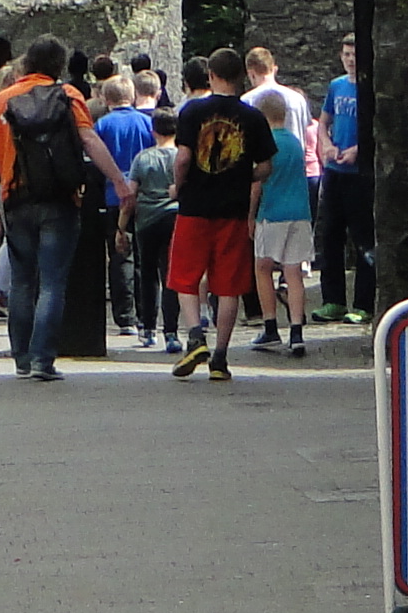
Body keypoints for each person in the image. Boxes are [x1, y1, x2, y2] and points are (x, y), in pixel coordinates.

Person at [0, 36, 132, 382]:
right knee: (52, 282)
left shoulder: (3, 99)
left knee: (21, 282)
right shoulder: (69, 96)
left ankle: (21, 358)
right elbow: (89, 139)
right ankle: (43, 360)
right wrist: (118, 181)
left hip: (17, 199)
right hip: (61, 199)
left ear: (27, 62)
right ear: (59, 65)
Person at [169, 50, 274, 381]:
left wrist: (178, 186)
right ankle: (220, 358)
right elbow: (266, 166)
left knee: (185, 276)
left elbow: (183, 158)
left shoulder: (192, 111)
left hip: (194, 207)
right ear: (241, 76)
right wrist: (242, 177)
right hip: (233, 210)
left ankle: (195, 336)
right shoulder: (253, 117)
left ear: (211, 76)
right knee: (229, 286)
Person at [93, 69, 159, 340]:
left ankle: (125, 317)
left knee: (120, 256)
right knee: (145, 258)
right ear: (132, 97)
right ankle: (147, 316)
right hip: (144, 196)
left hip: (113, 196)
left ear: (106, 99)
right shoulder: (146, 123)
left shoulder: (102, 125)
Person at [313, 32, 375, 323]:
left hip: (358, 174)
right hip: (335, 171)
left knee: (362, 238)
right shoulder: (336, 86)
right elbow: (323, 122)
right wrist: (326, 144)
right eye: (346, 54)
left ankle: (364, 303)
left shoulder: (369, 87)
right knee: (330, 236)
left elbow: (378, 128)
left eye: (355, 55)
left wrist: (358, 150)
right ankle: (333, 300)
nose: (350, 60)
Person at [254, 97, 316, 356]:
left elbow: (257, 184)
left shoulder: (265, 144)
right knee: (294, 272)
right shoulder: (295, 142)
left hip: (272, 213)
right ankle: (297, 331)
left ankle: (270, 326)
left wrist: (250, 217)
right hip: (300, 213)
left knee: (262, 268)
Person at [128, 89, 186, 352]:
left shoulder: (143, 158)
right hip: (175, 218)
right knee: (170, 274)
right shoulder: (182, 157)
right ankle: (171, 331)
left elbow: (131, 193)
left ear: (153, 131)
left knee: (147, 274)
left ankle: (148, 328)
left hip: (147, 220)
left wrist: (122, 225)